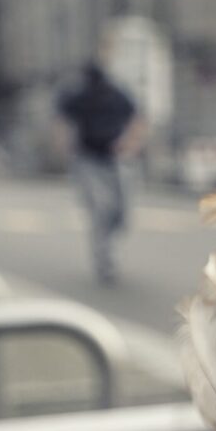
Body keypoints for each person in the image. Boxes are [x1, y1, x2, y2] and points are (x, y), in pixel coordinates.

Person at [56, 63, 142, 284]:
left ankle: (107, 246)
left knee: (121, 212)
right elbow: (62, 119)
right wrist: (66, 147)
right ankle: (105, 262)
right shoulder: (79, 96)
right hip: (88, 160)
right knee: (101, 209)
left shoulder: (116, 95)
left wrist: (129, 143)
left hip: (116, 159)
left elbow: (137, 117)